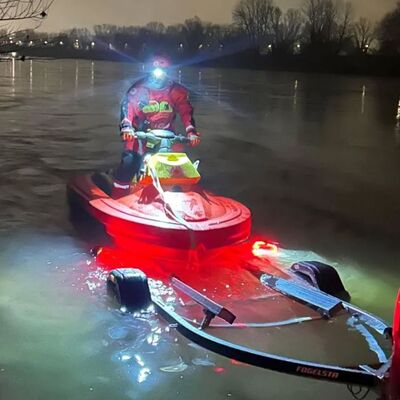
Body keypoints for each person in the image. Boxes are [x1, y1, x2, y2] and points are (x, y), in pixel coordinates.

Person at [112, 55, 201, 197]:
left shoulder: (176, 91)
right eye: (156, 70)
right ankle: (118, 195)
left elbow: (186, 111)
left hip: (166, 137)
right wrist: (127, 126)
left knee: (178, 163)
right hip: (139, 135)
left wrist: (191, 131)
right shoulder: (139, 89)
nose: (159, 75)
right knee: (130, 163)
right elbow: (128, 107)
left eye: (163, 70)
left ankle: (180, 191)